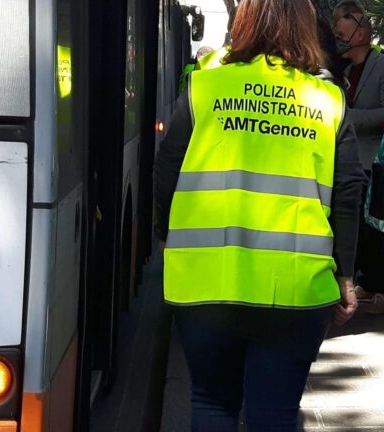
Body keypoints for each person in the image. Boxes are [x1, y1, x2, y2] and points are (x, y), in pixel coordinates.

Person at [153, 0, 366, 430]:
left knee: (212, 404)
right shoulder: (328, 101)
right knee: (275, 414)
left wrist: (166, 235)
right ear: (306, 28)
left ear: (242, 22)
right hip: (295, 290)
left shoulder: (204, 88)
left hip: (205, 284)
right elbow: (347, 192)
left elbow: (166, 172)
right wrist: (345, 276)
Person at [332, 0, 384, 315]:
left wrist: (347, 116)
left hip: (373, 161)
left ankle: (383, 288)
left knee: (373, 231)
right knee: (354, 229)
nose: (337, 34)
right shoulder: (344, 69)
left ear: (359, 30)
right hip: (347, 161)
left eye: (341, 27)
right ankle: (366, 280)